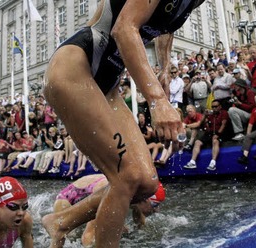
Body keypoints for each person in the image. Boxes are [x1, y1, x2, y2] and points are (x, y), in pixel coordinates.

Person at [42, 0, 201, 245]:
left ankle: (61, 221)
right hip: (75, 67)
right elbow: (124, 28)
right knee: (126, 176)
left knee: (146, 183)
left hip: (109, 83)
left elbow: (167, 27)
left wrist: (165, 66)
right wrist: (156, 98)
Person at [51, 174, 165, 247]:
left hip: (89, 194)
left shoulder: (135, 196)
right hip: (67, 200)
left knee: (121, 230)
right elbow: (87, 237)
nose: (157, 210)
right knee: (70, 237)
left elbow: (140, 226)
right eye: (155, 205)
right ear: (144, 200)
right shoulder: (114, 195)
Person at [183, 99, 229, 170]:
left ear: (220, 106)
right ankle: (192, 162)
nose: (214, 108)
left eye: (216, 106)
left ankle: (213, 163)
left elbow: (223, 124)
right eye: (213, 107)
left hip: (220, 133)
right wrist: (204, 115)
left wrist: (218, 134)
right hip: (209, 133)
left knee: (215, 141)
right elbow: (201, 123)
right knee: (197, 142)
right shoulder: (211, 114)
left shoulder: (224, 113)